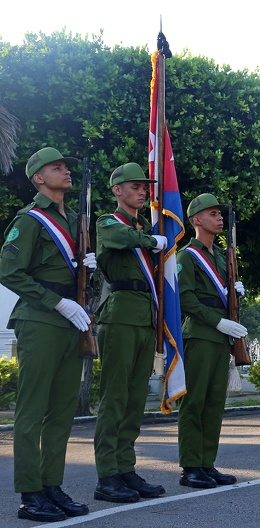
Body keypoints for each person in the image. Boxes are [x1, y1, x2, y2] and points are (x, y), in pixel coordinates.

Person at [0, 147, 95, 522]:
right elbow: (9, 272)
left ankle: (51, 486)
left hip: (72, 322)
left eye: (67, 168)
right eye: (57, 168)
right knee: (33, 410)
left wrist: (91, 264)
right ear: (38, 178)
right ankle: (30, 493)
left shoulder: (76, 219)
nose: (66, 172)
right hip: (40, 320)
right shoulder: (29, 220)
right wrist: (56, 303)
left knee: (60, 413)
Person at [93, 162, 168, 502]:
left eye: (144, 187)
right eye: (135, 186)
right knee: (115, 398)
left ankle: (125, 468)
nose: (142, 191)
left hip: (144, 315)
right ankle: (107, 475)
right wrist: (151, 238)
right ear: (117, 191)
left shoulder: (144, 228)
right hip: (120, 313)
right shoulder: (109, 222)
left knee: (136, 399)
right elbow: (117, 238)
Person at [176, 194, 247, 487]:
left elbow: (225, 296)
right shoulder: (187, 255)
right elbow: (186, 299)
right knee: (195, 402)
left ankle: (207, 463)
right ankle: (191, 466)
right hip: (201, 334)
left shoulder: (221, 255)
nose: (219, 218)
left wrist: (236, 293)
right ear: (196, 220)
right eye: (213, 214)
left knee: (215, 403)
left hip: (221, 336)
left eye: (220, 214)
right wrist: (217, 320)